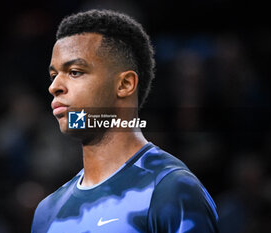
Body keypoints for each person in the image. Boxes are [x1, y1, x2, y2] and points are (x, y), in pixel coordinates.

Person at [31, 9, 218, 233]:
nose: (54, 87)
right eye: (54, 75)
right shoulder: (47, 212)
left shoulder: (170, 190)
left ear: (125, 84)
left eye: (75, 71)